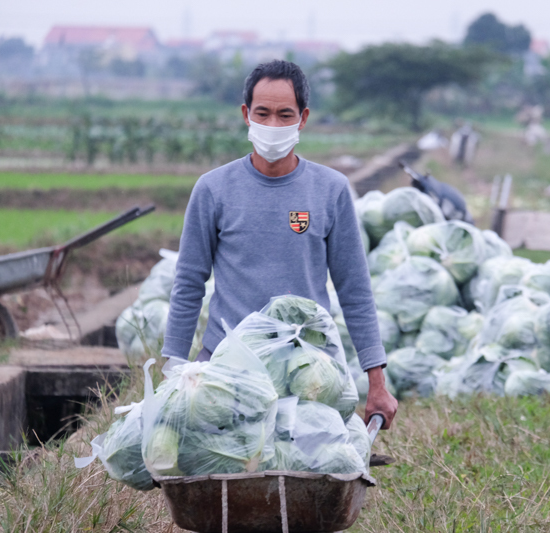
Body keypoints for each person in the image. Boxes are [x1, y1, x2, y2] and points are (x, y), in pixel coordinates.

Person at [162, 60, 397, 429]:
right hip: (228, 363)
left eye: (284, 114)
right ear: (246, 115)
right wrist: (173, 367)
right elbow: (189, 282)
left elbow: (355, 289)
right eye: (263, 113)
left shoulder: (330, 190)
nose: (273, 125)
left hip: (307, 367)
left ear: (302, 119)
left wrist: (376, 382)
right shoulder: (213, 189)